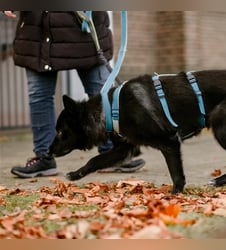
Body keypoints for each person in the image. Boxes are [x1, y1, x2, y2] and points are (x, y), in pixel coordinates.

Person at [4, 11, 145, 178]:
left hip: (84, 28)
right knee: (40, 96)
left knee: (103, 96)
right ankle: (44, 157)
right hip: (39, 33)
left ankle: (113, 154)